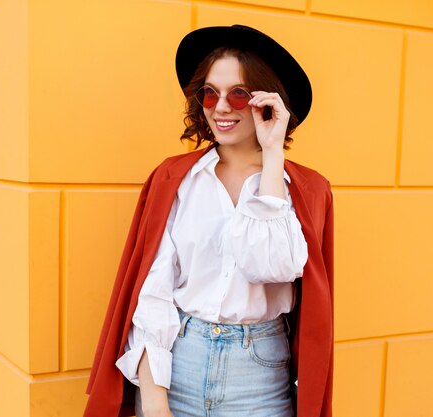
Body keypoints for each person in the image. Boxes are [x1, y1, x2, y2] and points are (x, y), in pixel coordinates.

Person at [84, 25, 334, 417]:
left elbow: (271, 266)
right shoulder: (173, 179)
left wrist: (272, 155)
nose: (220, 107)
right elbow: (153, 296)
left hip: (261, 381)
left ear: (267, 101)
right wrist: (155, 402)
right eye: (210, 93)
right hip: (178, 367)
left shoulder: (305, 190)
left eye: (238, 94)